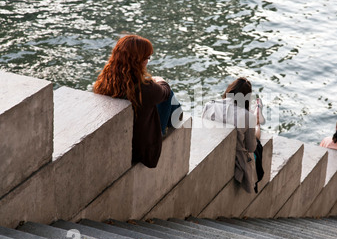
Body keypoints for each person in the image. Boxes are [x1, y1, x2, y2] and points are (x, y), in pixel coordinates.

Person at [93, 34, 182, 168]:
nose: (147, 61)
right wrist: (159, 80)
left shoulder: (105, 81)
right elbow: (165, 91)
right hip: (140, 150)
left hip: (122, 141)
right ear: (138, 61)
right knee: (169, 96)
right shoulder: (144, 89)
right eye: (147, 58)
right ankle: (163, 129)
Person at [202, 77, 264, 193]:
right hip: (236, 159)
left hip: (211, 149)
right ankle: (257, 118)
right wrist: (253, 120)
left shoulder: (209, 105)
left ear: (229, 90)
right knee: (257, 141)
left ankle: (256, 116)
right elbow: (251, 147)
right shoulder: (247, 116)